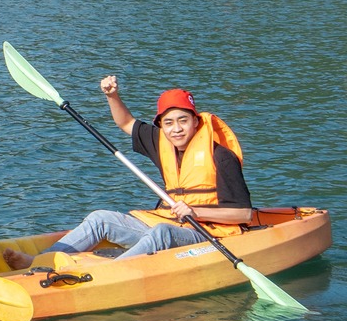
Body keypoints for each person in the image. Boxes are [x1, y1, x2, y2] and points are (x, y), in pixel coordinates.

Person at [42, 79, 252, 261]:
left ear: (195, 122)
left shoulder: (221, 157)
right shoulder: (160, 141)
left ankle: (112, 273)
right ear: (161, 125)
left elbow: (243, 215)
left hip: (209, 232)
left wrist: (195, 212)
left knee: (162, 233)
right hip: (172, 223)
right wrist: (112, 95)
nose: (176, 129)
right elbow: (125, 122)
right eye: (168, 123)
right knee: (100, 218)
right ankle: (39, 262)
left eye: (183, 121)